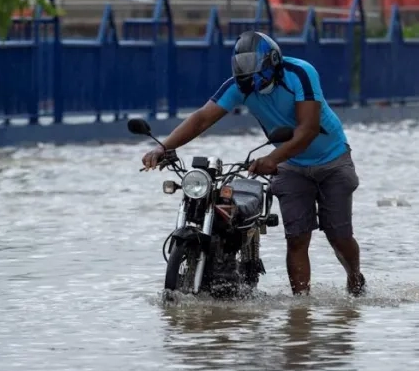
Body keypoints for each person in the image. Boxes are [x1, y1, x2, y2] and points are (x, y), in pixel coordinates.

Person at [141, 31, 366, 297]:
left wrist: (271, 159)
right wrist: (165, 146)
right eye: (248, 79)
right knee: (296, 239)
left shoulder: (300, 73)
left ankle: (354, 277)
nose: (254, 84)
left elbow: (308, 130)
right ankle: (301, 308)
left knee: (338, 236)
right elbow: (202, 118)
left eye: (259, 76)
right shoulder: (239, 86)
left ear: (274, 64)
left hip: (332, 160)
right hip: (291, 165)